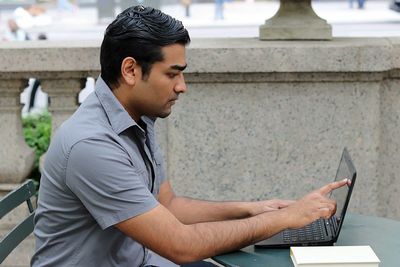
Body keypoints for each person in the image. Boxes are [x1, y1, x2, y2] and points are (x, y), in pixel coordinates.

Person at [31, 5, 348, 267]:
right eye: (172, 73)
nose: (182, 86)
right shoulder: (92, 145)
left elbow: (167, 204)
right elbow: (181, 246)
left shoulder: (134, 117)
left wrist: (253, 208)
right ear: (130, 71)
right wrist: (284, 220)